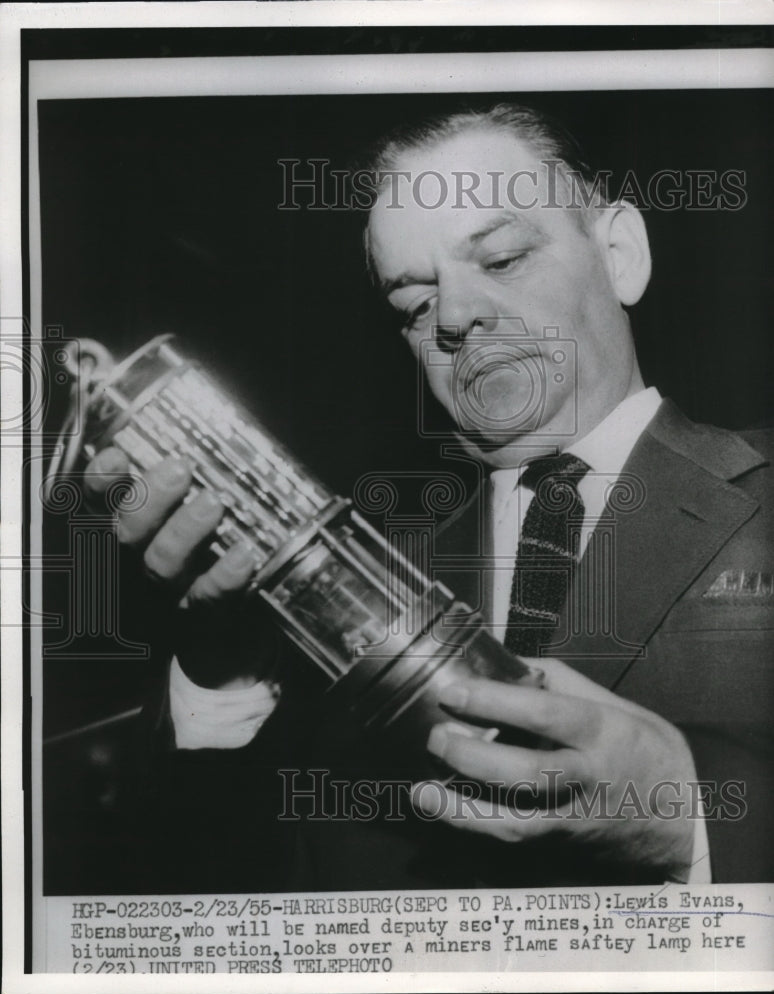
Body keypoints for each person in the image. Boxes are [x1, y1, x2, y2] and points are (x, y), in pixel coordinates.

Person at [84, 102, 773, 889]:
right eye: (412, 303)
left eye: (503, 258)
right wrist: (219, 668)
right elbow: (199, 881)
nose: (453, 315)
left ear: (620, 252)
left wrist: (685, 818)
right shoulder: (341, 590)